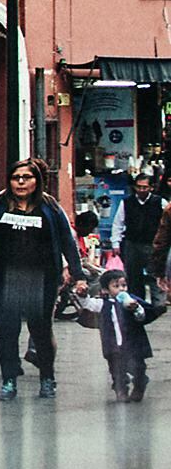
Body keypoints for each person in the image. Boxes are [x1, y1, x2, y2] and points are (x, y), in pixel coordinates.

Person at [0, 157, 85, 401]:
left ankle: (47, 379)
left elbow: (67, 241)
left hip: (41, 279)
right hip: (6, 279)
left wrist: (79, 274)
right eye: (16, 178)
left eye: (27, 177)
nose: (21, 182)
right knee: (7, 332)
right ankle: (9, 381)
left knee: (41, 331)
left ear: (37, 181)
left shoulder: (50, 207)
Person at [91, 267, 163, 400]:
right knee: (116, 370)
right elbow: (88, 305)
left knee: (138, 367)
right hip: (113, 345)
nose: (121, 289)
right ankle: (121, 390)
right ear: (105, 290)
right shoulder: (103, 304)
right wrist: (81, 295)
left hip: (133, 343)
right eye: (116, 286)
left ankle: (140, 384)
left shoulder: (132, 301)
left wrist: (136, 309)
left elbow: (142, 316)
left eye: (124, 285)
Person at [122, 170, 169, 305]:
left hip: (153, 244)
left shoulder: (160, 202)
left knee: (155, 273)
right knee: (133, 276)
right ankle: (137, 303)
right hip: (132, 243)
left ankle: (158, 304)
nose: (141, 190)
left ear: (151, 188)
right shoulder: (127, 202)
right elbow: (119, 223)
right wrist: (115, 243)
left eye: (145, 187)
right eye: (139, 187)